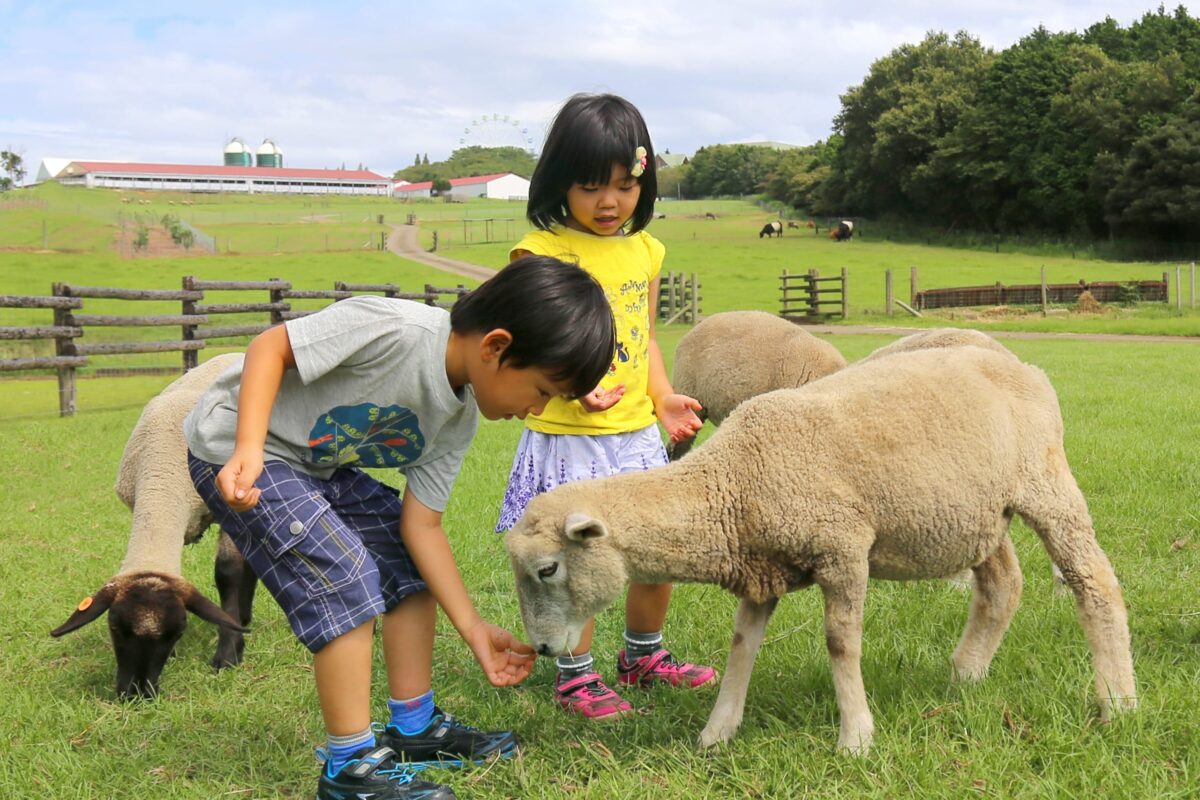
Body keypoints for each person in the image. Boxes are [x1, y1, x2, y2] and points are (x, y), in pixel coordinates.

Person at [184, 255, 616, 800]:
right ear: (497, 347)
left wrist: (475, 629)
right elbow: (270, 348)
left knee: (403, 556)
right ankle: (349, 770)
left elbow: (422, 528)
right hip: (237, 447)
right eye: (542, 390)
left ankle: (413, 728)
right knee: (343, 571)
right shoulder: (394, 329)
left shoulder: (458, 417)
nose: (536, 410)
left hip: (315, 463)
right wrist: (247, 447)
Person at [495, 92, 717, 720]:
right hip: (570, 434)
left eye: (623, 185)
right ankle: (575, 673)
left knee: (660, 544)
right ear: (560, 181)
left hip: (635, 432)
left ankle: (643, 654)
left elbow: (643, 339)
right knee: (576, 557)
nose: (609, 202)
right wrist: (571, 382)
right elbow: (526, 347)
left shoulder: (645, 252)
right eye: (591, 186)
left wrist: (665, 396)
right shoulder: (539, 253)